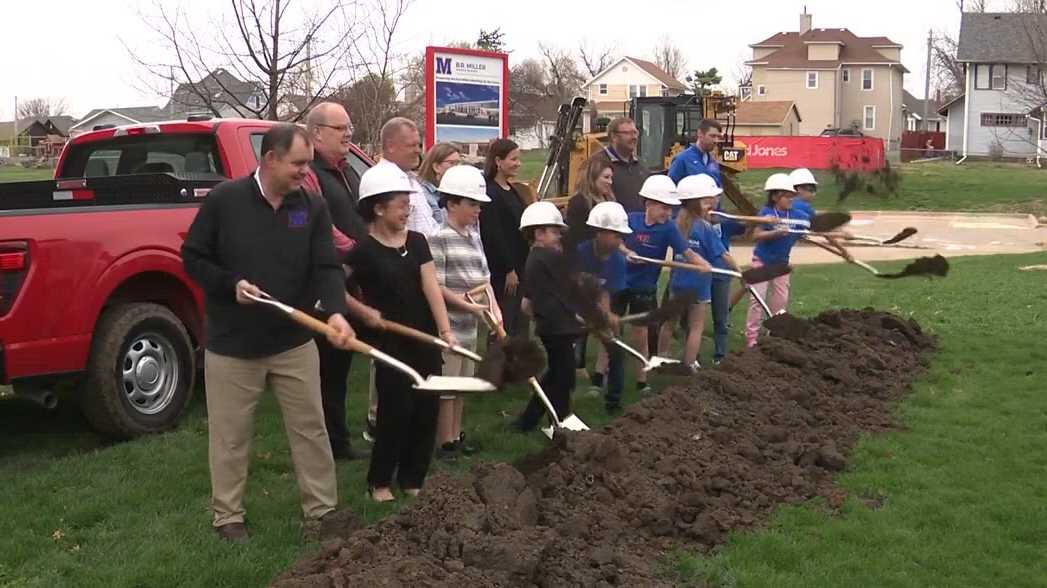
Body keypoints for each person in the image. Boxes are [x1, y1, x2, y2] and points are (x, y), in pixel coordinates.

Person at [181, 124, 355, 543]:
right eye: (298, 163)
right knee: (231, 436)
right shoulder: (226, 200)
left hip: (293, 341)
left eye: (309, 163)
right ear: (270, 159)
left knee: (311, 429)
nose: (305, 171)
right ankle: (228, 517)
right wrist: (230, 284)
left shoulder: (310, 206)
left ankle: (321, 513)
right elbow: (193, 257)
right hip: (233, 344)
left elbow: (327, 267)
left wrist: (335, 312)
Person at [345, 162, 457, 503]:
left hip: (424, 339)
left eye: (409, 204)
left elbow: (431, 288)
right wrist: (363, 312)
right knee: (395, 412)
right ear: (378, 207)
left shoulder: (419, 242)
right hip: (391, 344)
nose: (407, 211)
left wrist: (445, 329)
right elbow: (337, 288)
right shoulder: (362, 251)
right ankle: (379, 481)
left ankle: (412, 477)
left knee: (426, 411)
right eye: (401, 204)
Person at [301, 102, 371, 461]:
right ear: (316, 133)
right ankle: (328, 444)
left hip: (351, 280)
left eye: (349, 128)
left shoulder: (348, 172)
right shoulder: (310, 173)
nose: (348, 134)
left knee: (340, 367)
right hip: (324, 284)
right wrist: (359, 252)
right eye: (340, 128)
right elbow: (320, 227)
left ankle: (337, 439)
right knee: (327, 369)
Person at [427, 165, 495, 460]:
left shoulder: (474, 237)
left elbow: (485, 278)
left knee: (463, 384)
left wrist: (493, 311)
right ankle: (444, 443)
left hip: (471, 325)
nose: (477, 210)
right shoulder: (438, 238)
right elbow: (437, 287)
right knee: (448, 387)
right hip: (450, 327)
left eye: (479, 205)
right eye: (472, 204)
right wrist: (466, 304)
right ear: (451, 203)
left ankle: (456, 435)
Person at [622, 175, 711, 393]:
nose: (668, 213)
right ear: (649, 203)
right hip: (619, 283)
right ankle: (598, 378)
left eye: (671, 208)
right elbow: (615, 242)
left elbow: (687, 252)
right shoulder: (630, 220)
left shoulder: (669, 228)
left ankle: (641, 382)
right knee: (610, 332)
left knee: (640, 336)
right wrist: (627, 252)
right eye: (664, 208)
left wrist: (702, 263)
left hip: (644, 288)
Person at [511, 201, 581, 432]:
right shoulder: (546, 258)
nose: (559, 236)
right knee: (564, 376)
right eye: (555, 231)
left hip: (553, 325)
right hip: (556, 326)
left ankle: (529, 420)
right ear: (538, 233)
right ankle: (559, 419)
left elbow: (527, 303)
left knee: (557, 374)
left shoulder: (535, 258)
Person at [663, 174, 740, 370]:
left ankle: (662, 358)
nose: (710, 205)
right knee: (696, 327)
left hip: (678, 282)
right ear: (695, 203)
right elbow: (724, 255)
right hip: (699, 285)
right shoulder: (705, 228)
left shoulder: (675, 222)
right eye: (706, 202)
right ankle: (689, 365)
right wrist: (740, 271)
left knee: (669, 323)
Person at [575, 201, 631, 414]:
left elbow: (605, 293)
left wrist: (606, 317)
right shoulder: (580, 252)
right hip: (574, 306)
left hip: (597, 307)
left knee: (616, 349)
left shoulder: (617, 261)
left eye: (621, 236)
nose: (620, 240)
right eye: (616, 235)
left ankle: (613, 403)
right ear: (599, 232)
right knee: (562, 354)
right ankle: (556, 400)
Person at [746, 173, 805, 348]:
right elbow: (756, 235)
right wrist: (775, 232)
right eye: (786, 196)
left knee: (780, 301)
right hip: (762, 262)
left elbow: (809, 229)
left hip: (781, 265)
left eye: (791, 195)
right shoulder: (766, 213)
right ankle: (752, 338)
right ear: (774, 196)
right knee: (757, 300)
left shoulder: (796, 215)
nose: (790, 199)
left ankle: (774, 335)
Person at [480, 138, 530, 336]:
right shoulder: (491, 192)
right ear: (498, 162)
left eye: (519, 159)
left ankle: (519, 363)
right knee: (506, 322)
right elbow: (494, 234)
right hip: (505, 271)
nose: (518, 163)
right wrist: (509, 269)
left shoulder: (513, 190)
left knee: (521, 323)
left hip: (521, 264)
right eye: (513, 159)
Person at [377, 117, 440, 237]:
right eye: (411, 145)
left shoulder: (411, 179)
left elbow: (427, 227)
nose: (418, 151)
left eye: (419, 145)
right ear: (391, 146)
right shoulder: (383, 183)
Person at [564, 154, 615, 259]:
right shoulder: (578, 202)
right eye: (606, 177)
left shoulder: (610, 200)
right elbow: (575, 238)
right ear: (592, 177)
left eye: (611, 177)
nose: (610, 182)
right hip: (586, 259)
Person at [602, 118, 648, 212]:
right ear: (614, 136)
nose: (634, 137)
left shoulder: (641, 165)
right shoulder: (598, 164)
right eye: (628, 133)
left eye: (635, 133)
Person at [668, 118, 724, 187]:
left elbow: (718, 189)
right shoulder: (682, 160)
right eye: (712, 136)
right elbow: (670, 189)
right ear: (700, 134)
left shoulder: (713, 162)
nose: (716, 140)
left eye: (718, 137)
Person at [417, 142, 462, 227]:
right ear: (436, 167)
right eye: (452, 163)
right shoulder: (422, 194)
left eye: (458, 163)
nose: (457, 168)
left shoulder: (453, 191)